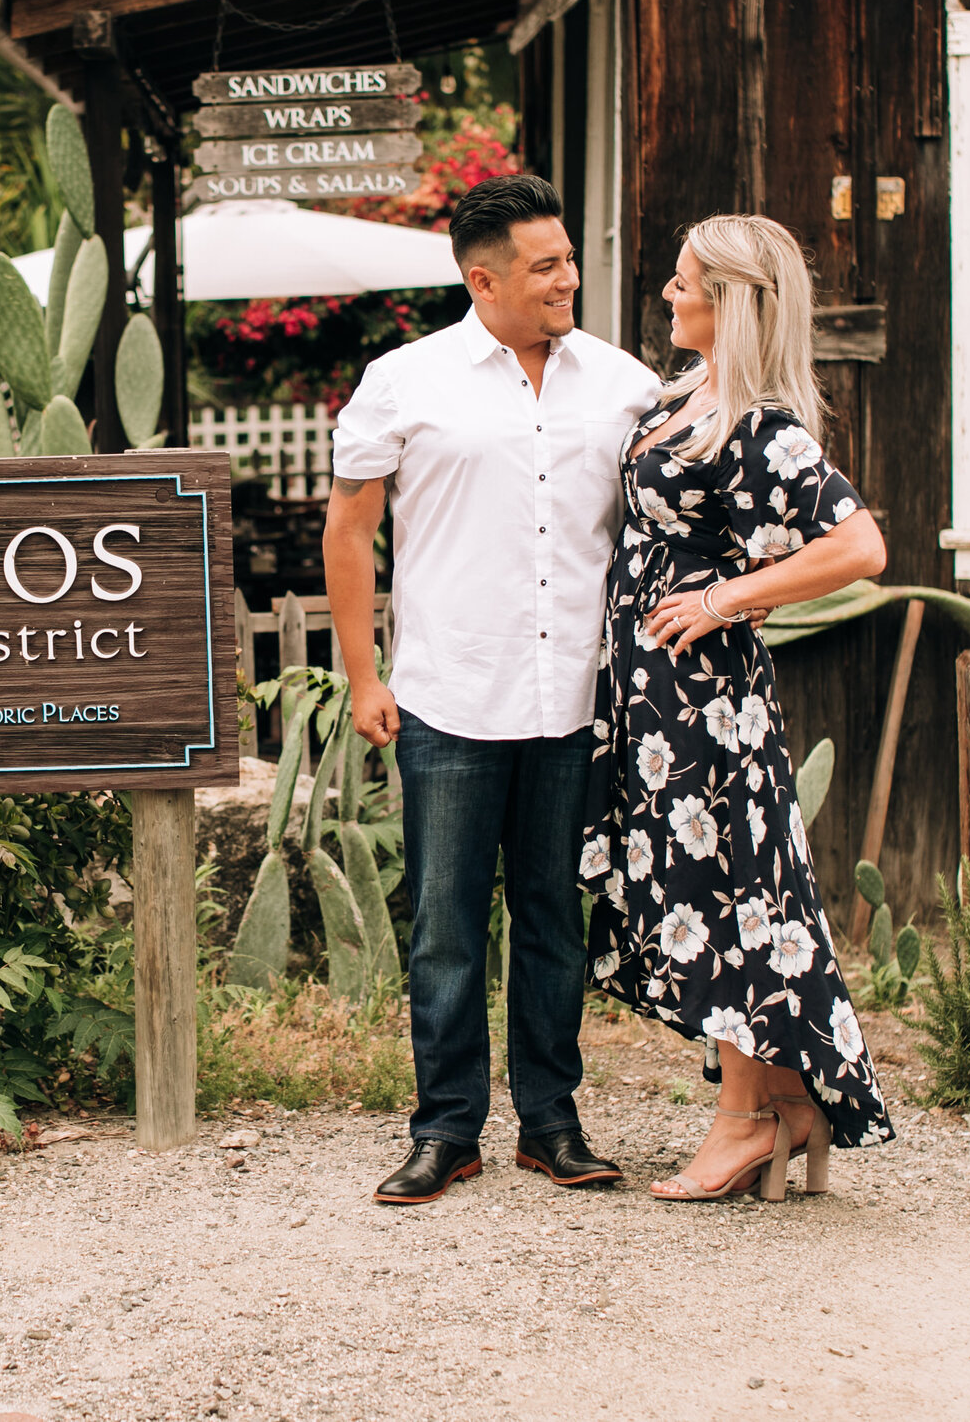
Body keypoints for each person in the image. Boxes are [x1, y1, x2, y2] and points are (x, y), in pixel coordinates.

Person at [325, 173, 662, 1205]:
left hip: (576, 699)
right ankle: (446, 1129)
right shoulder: (404, 380)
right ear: (484, 279)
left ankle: (551, 1123)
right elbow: (349, 530)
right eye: (545, 265)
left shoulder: (625, 384)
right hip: (448, 695)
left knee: (556, 917)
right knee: (445, 925)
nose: (568, 277)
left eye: (568, 259)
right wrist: (363, 675)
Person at [583, 213, 895, 1203]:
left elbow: (859, 548)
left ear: (730, 302)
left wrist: (724, 597)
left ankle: (743, 1120)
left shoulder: (759, 422)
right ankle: (784, 1102)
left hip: (702, 703)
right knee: (697, 894)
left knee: (716, 898)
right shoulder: (682, 398)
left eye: (684, 285)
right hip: (649, 694)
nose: (667, 297)